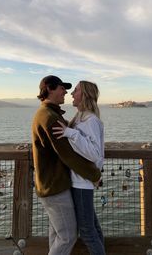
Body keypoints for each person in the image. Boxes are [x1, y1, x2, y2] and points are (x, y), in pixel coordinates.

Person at [31, 75, 101, 255]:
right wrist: (94, 175)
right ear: (49, 88)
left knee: (59, 233)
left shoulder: (48, 114)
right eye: (62, 88)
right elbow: (69, 155)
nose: (66, 92)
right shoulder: (51, 117)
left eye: (72, 90)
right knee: (68, 236)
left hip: (53, 184)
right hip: (55, 185)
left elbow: (77, 150)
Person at [52, 81, 106, 255]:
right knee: (92, 228)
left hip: (82, 184)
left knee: (87, 232)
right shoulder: (80, 118)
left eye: (75, 91)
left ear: (84, 95)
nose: (71, 94)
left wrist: (70, 133)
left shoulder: (91, 120)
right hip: (80, 181)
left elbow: (95, 153)